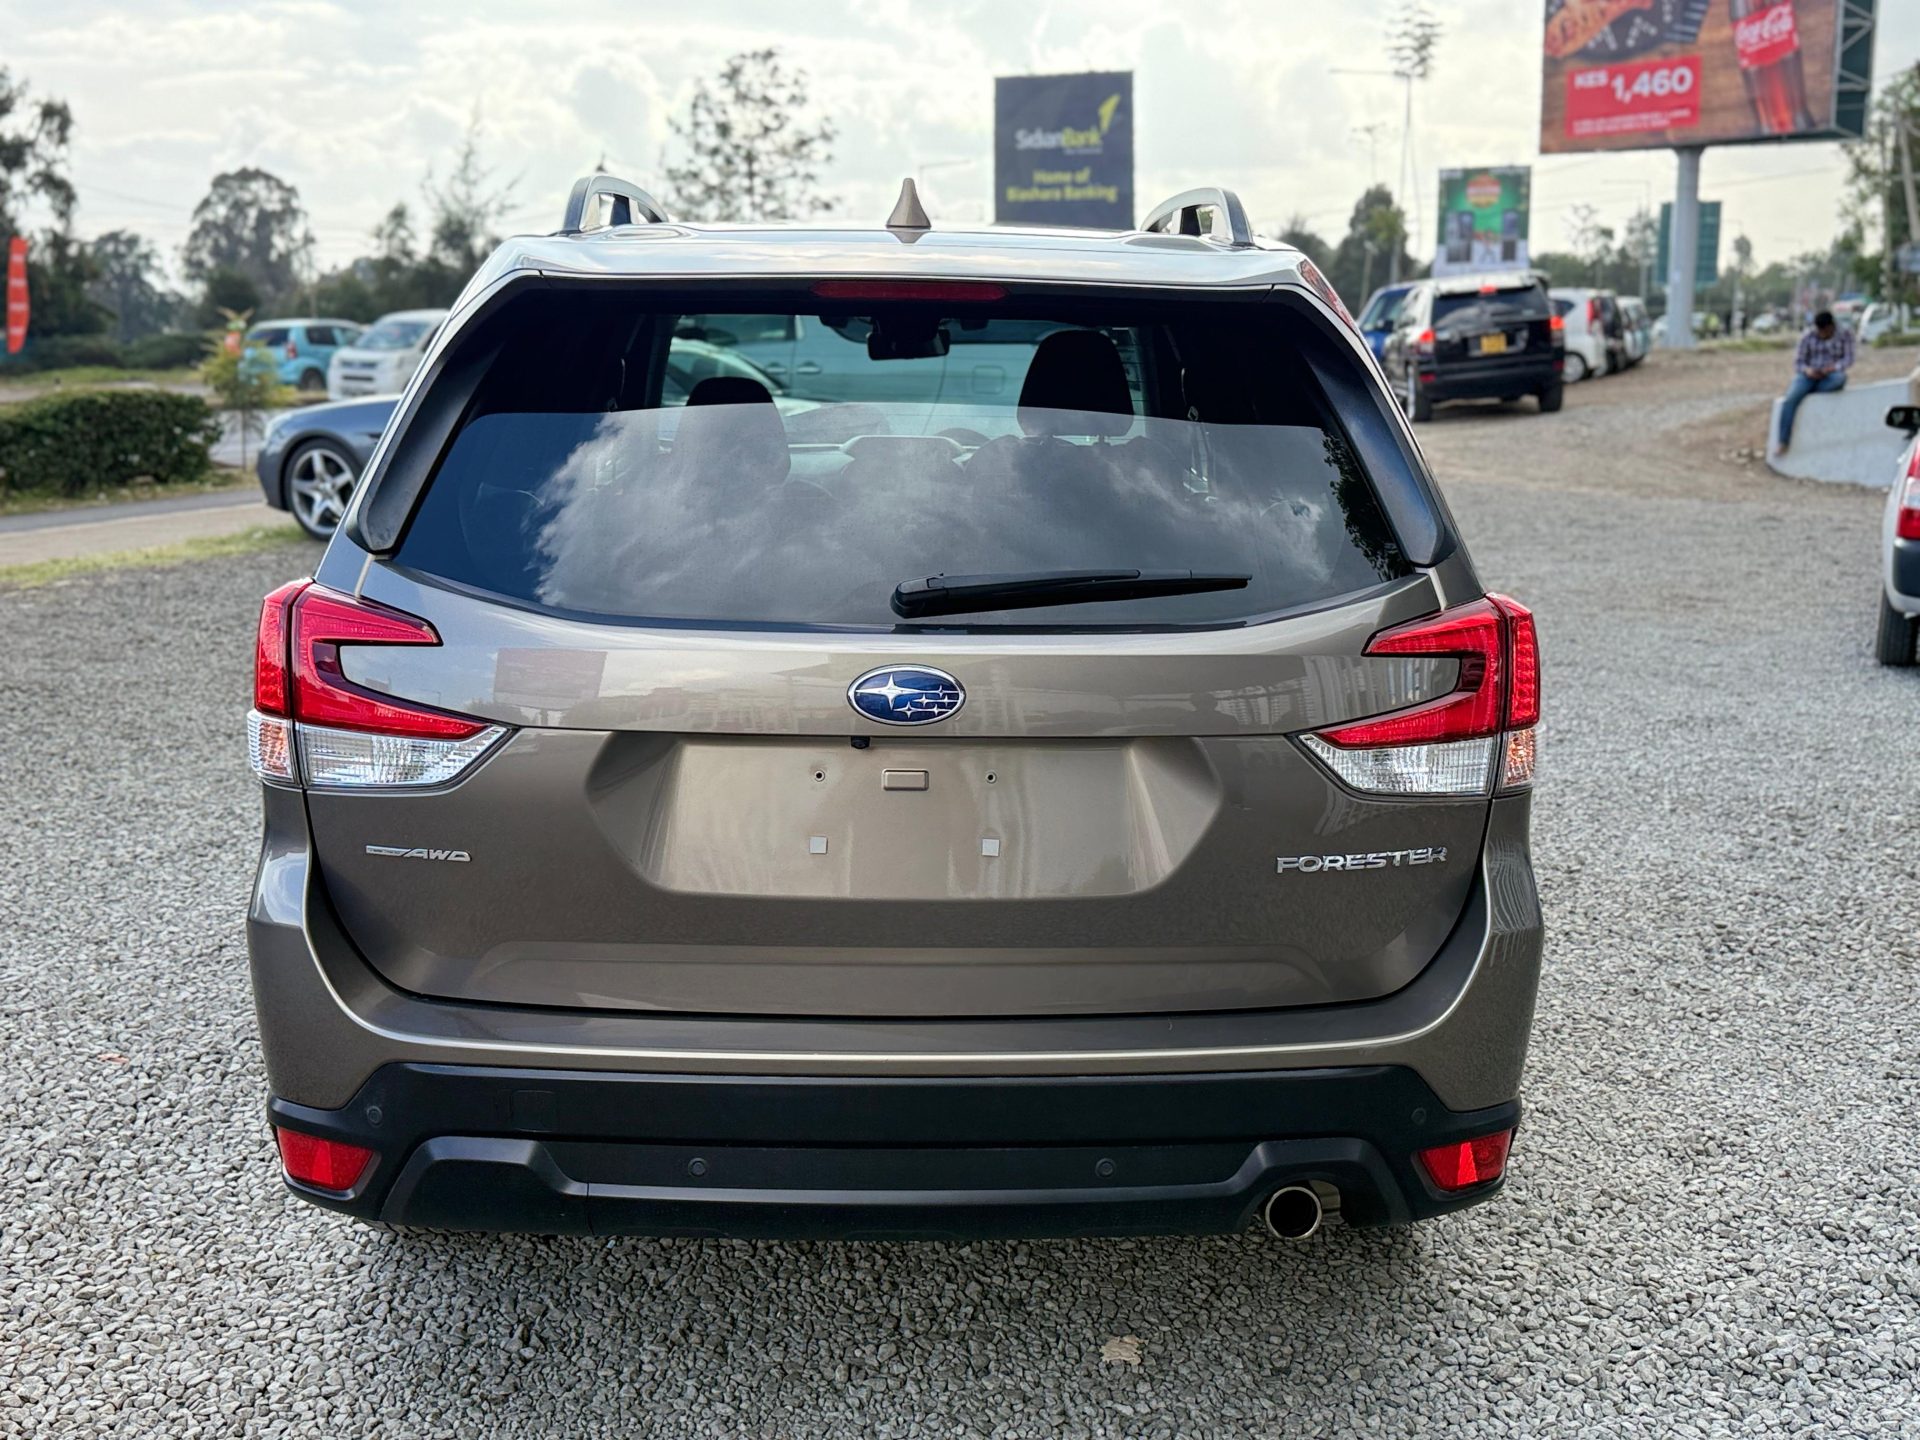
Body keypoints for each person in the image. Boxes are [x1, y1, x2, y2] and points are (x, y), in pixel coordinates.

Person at [1776, 310, 1856, 454]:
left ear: (1831, 327)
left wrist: (1833, 367)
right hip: (1809, 374)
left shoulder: (1845, 334)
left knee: (1840, 379)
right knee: (1790, 399)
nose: (1822, 334)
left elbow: (1848, 359)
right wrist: (1808, 371)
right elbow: (1798, 362)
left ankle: (1810, 391)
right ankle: (1783, 441)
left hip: (1831, 374)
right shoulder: (1808, 336)